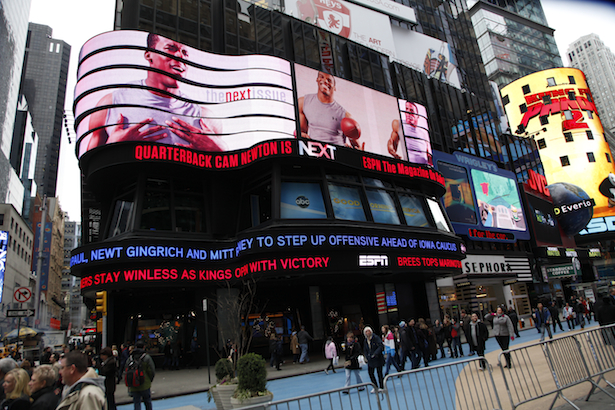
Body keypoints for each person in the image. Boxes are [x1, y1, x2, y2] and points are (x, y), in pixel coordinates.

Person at [86, 33, 225, 152]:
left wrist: (220, 151)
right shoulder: (111, 103)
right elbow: (89, 171)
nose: (179, 56)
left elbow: (227, 174)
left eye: (185, 53)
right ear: (148, 55)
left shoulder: (206, 118)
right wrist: (112, 148)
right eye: (171, 48)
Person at [298, 71, 363, 149]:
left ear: (334, 87)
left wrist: (357, 151)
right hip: (315, 154)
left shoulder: (344, 115)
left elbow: (357, 145)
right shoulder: (304, 102)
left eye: (329, 80)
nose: (325, 81)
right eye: (322, 77)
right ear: (317, 79)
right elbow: (302, 133)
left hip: (337, 156)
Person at [128, 342, 156, 410]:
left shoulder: (131, 358)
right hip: (145, 382)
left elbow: (126, 370)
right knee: (147, 401)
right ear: (144, 347)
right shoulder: (146, 357)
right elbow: (151, 370)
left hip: (134, 383)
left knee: (136, 402)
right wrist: (150, 380)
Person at [362, 327, 384, 393]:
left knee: (379, 373)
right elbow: (365, 349)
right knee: (370, 373)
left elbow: (381, 346)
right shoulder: (365, 340)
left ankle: (381, 386)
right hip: (370, 359)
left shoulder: (376, 338)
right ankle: (375, 386)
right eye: (366, 332)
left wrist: (376, 353)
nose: (368, 333)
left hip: (378, 358)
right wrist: (367, 356)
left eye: (369, 331)